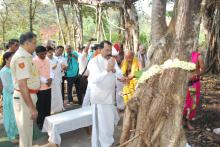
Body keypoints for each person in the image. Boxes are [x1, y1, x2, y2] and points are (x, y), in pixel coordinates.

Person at [88, 40, 124, 147]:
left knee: (109, 123)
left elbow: (120, 74)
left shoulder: (112, 60)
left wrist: (114, 71)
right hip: (99, 99)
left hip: (110, 98)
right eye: (107, 50)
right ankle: (102, 144)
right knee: (101, 125)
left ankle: (108, 143)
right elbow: (95, 79)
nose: (109, 52)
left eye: (110, 50)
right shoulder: (93, 61)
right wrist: (107, 70)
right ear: (100, 50)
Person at [10, 32, 40, 147]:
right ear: (27, 43)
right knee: (25, 133)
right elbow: (22, 85)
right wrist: (32, 107)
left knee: (28, 130)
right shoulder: (21, 58)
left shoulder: (27, 56)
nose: (35, 45)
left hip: (27, 97)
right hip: (24, 98)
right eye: (34, 43)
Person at [33, 45, 54, 130]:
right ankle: (40, 124)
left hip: (48, 87)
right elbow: (36, 75)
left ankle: (48, 122)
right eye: (42, 54)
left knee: (47, 106)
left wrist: (51, 78)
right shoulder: (33, 61)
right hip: (40, 88)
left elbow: (51, 70)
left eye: (45, 54)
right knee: (40, 107)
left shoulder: (47, 60)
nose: (44, 56)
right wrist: (46, 81)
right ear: (37, 53)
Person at [183, 50, 204, 130]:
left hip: (193, 84)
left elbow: (202, 69)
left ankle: (188, 122)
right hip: (182, 85)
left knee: (192, 104)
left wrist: (196, 75)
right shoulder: (182, 53)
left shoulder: (198, 56)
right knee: (183, 103)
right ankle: (182, 121)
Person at [0, 51, 18, 143]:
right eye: (12, 57)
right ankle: (11, 136)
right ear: (6, 59)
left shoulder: (13, 68)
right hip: (10, 95)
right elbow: (7, 86)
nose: (13, 59)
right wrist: (17, 90)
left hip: (16, 94)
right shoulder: (3, 71)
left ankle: (16, 132)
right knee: (10, 115)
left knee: (16, 115)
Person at [47, 46, 64, 114]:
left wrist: (62, 68)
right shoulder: (46, 60)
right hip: (51, 80)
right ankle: (53, 109)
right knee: (53, 95)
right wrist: (55, 65)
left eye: (51, 52)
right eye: (49, 52)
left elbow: (61, 67)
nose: (51, 53)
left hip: (58, 78)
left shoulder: (56, 59)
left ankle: (60, 107)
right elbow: (51, 69)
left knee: (58, 93)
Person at [112, 43, 125, 110]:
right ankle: (120, 105)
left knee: (119, 91)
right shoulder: (112, 57)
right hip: (116, 76)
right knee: (119, 90)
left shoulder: (113, 59)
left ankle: (119, 105)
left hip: (117, 76)